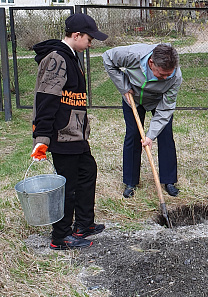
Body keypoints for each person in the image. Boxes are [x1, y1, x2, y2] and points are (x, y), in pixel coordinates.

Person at [31, 13, 107, 250]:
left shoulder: (72, 57)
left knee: (87, 171)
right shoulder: (57, 59)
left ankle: (83, 224)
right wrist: (42, 138)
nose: (90, 43)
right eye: (89, 38)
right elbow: (46, 99)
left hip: (76, 134)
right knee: (68, 184)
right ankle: (61, 236)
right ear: (76, 35)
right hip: (62, 134)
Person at [102, 43, 182, 199]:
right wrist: (123, 87)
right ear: (151, 63)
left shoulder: (176, 77)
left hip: (159, 100)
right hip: (132, 97)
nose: (165, 78)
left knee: (165, 135)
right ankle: (130, 182)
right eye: (161, 74)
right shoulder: (133, 55)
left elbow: (166, 109)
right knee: (132, 135)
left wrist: (150, 136)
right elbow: (107, 58)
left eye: (169, 74)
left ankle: (169, 181)